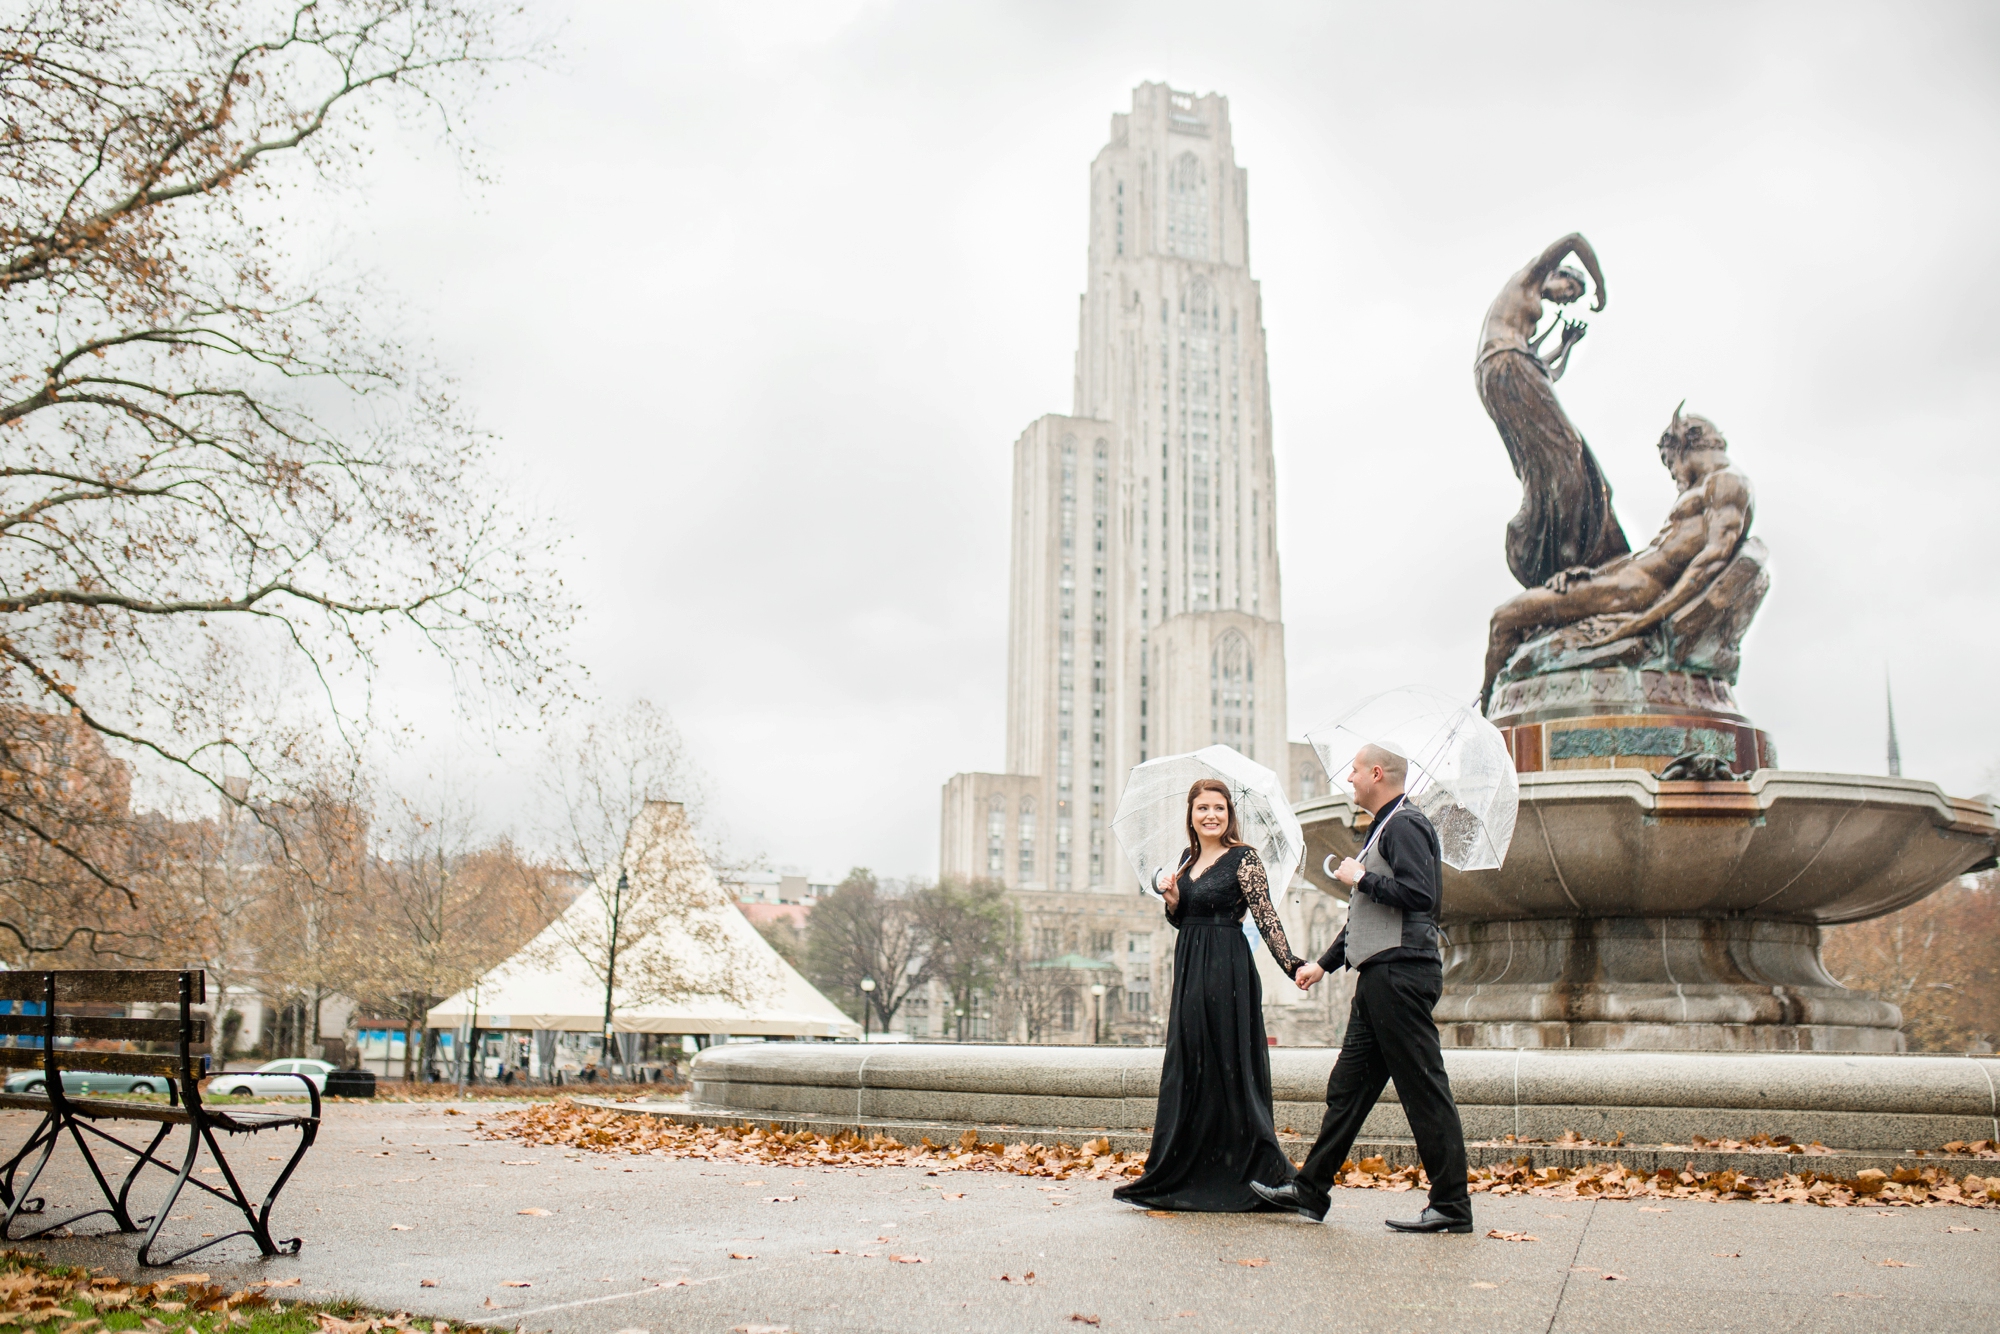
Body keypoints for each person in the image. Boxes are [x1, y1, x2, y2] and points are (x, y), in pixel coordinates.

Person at [1250, 744, 1472, 1234]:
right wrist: (1323, 966)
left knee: (1424, 1089)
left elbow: (1421, 896)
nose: (1347, 779)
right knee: (1347, 1090)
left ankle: (1452, 1205)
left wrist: (1362, 876)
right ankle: (1309, 1191)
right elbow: (1364, 920)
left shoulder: (1408, 824)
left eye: (1353, 771)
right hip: (1378, 978)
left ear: (1377, 773)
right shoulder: (1385, 826)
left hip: (1402, 976)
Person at [1480, 405, 1754, 710]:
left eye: (1669, 461)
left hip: (1632, 596)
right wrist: (1591, 574)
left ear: (1683, 443)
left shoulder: (1727, 483)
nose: (1673, 471)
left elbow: (1711, 561)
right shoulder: (1706, 488)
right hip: (1622, 586)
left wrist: (1647, 618)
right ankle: (1494, 709)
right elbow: (1652, 555)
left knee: (1504, 619)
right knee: (1518, 621)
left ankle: (1485, 711)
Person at [1113, 778, 1306, 1212]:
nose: (1211, 815)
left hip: (1228, 968)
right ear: (1191, 814)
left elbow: (1267, 916)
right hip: (1190, 968)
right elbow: (1183, 920)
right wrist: (1174, 900)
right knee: (1190, 1062)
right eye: (1202, 808)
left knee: (1229, 1065)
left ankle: (1247, 1171)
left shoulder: (1245, 858)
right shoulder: (1186, 860)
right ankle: (1184, 1169)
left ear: (1228, 814)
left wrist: (1292, 965)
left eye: (1218, 808)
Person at [1476, 232, 1630, 590]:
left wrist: (1565, 346)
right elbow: (1575, 238)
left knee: (1546, 464)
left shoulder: (1521, 330)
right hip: (1505, 363)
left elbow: (1544, 372)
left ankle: (1548, 554)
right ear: (1557, 275)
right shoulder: (1529, 278)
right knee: (1567, 450)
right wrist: (1599, 288)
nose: (1567, 300)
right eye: (1570, 292)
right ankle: (1567, 558)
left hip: (1501, 371)